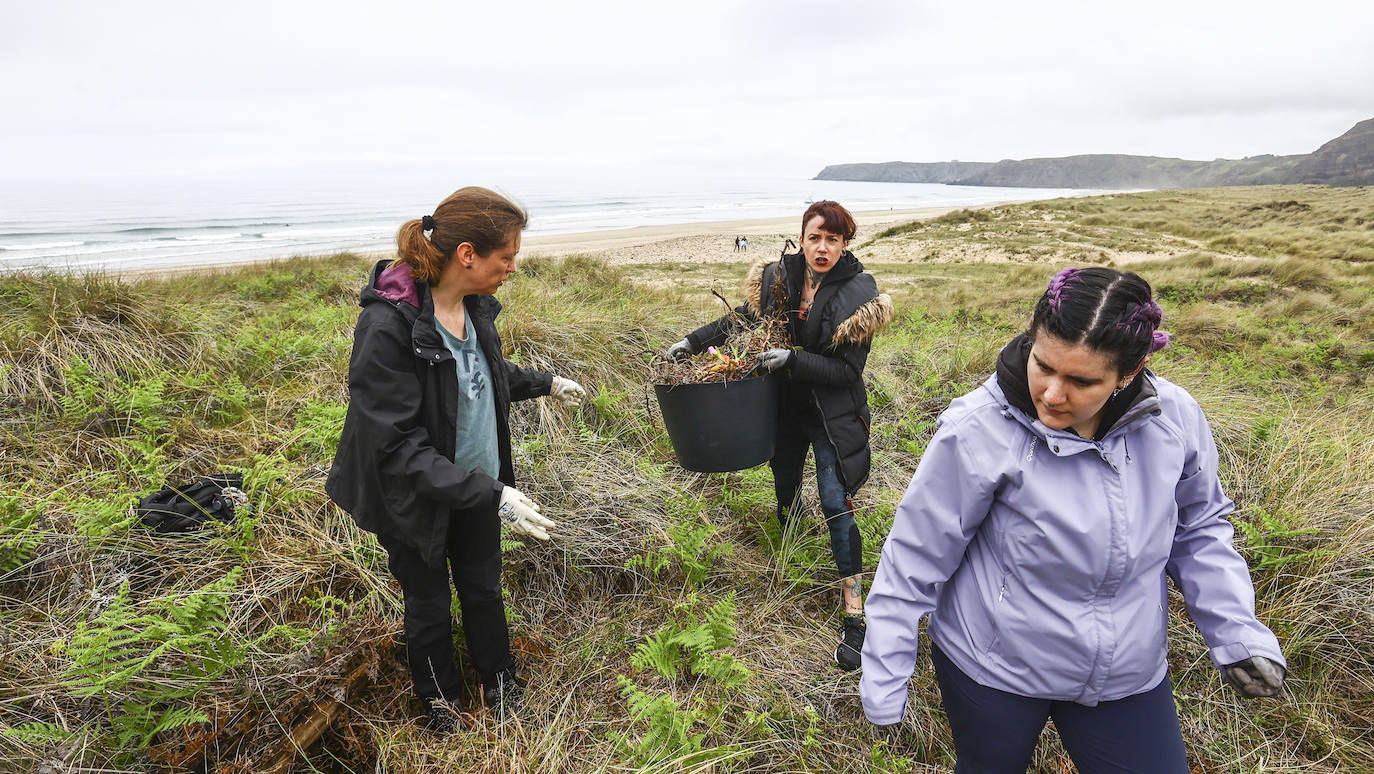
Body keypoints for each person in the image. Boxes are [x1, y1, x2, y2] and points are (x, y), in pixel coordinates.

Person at [861, 267, 1287, 773]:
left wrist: (1237, 633)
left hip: (1125, 671)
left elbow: (1199, 529)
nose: (1052, 394)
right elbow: (916, 552)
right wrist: (885, 676)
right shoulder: (978, 428)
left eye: (1082, 380)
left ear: (1130, 372)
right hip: (993, 668)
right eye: (1044, 366)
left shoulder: (1174, 418)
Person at [326, 186, 587, 733]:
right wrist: (493, 495)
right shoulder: (388, 326)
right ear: (467, 254)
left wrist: (546, 383)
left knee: (483, 587)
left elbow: (481, 377)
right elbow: (395, 447)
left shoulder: (474, 308)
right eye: (506, 257)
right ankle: (441, 705)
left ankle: (499, 684)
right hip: (412, 496)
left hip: (478, 487)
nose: (512, 268)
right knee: (429, 601)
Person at [666, 200, 893, 670]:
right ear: (803, 237)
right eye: (815, 237)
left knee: (835, 500)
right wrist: (692, 341)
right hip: (785, 408)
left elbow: (848, 372)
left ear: (845, 243)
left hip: (833, 415)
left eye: (833, 239)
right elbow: (744, 321)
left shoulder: (858, 294)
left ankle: (854, 609)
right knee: (784, 481)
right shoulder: (781, 279)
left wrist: (793, 360)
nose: (823, 247)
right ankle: (786, 545)